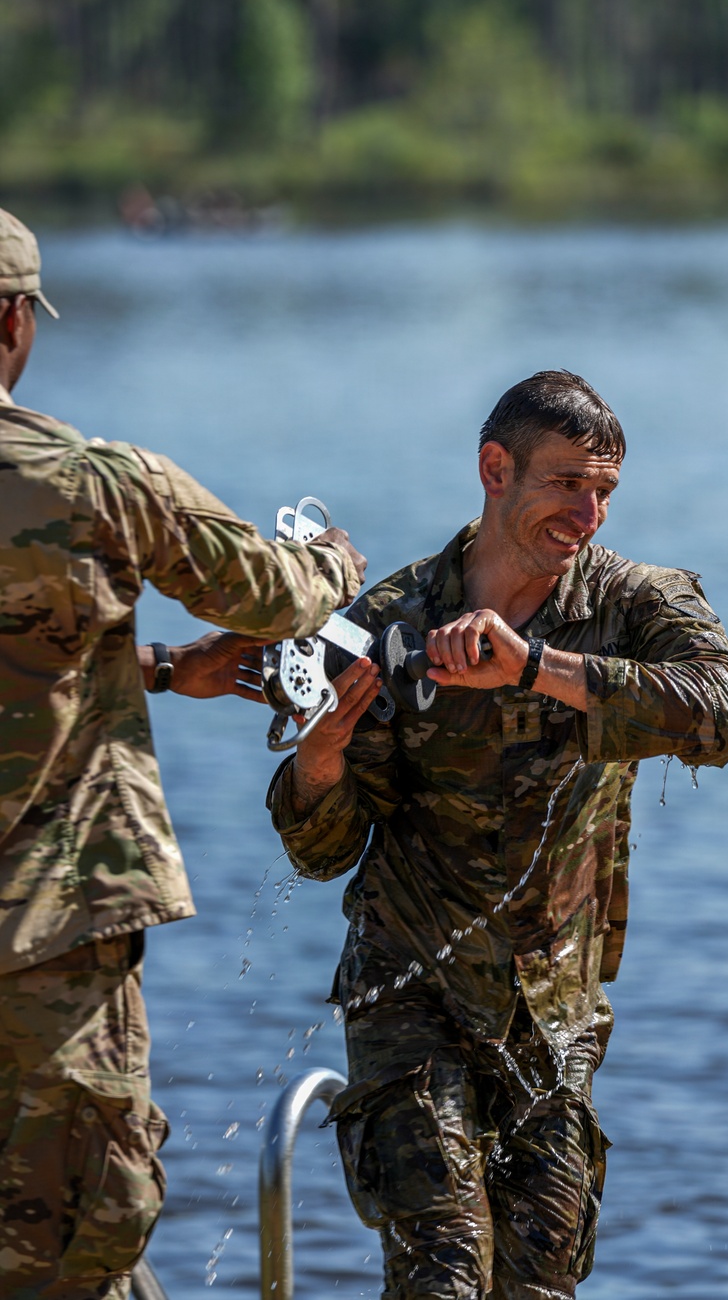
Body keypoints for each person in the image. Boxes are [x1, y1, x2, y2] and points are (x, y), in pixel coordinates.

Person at [266, 369, 728, 1300]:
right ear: (496, 469)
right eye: (566, 483)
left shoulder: (632, 605)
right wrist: (322, 755)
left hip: (554, 1017)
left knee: (535, 1287)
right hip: (408, 993)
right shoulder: (391, 623)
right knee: (446, 1274)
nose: (589, 513)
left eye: (605, 490)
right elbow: (321, 850)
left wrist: (533, 667)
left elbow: (725, 713)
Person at [0, 205, 368, 1300]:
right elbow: (273, 591)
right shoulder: (88, 483)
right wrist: (337, 563)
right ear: (15, 320)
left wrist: (158, 669)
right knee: (76, 1246)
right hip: (47, 949)